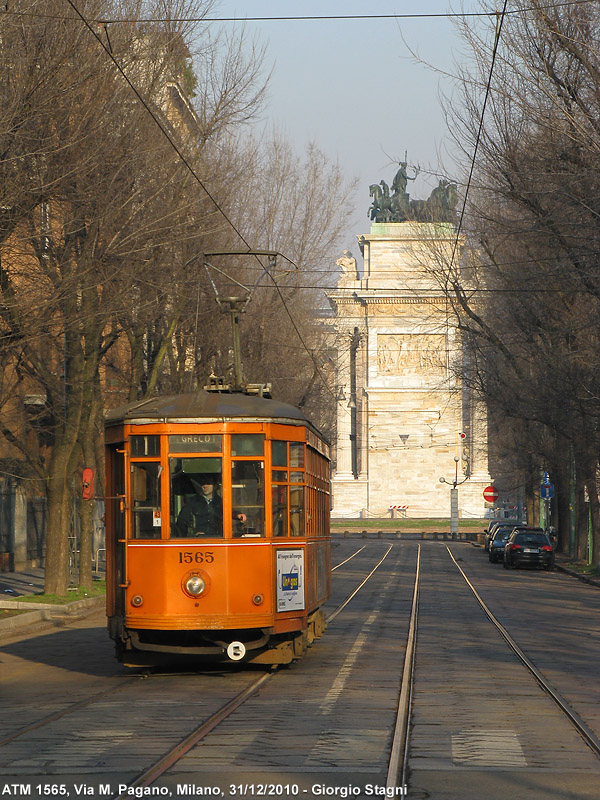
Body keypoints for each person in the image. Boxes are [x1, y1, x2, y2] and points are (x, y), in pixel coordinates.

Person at [175, 474, 246, 537]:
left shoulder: (220, 502)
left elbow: (229, 512)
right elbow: (182, 521)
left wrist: (238, 515)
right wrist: (188, 537)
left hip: (218, 539)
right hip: (198, 539)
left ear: (215, 486)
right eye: (203, 484)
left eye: (208, 483)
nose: (205, 486)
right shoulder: (192, 502)